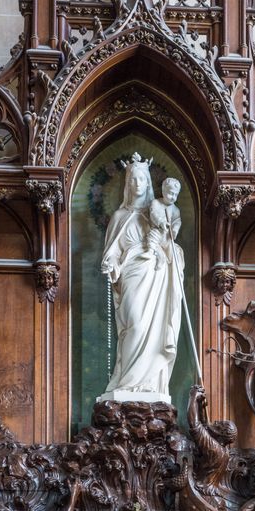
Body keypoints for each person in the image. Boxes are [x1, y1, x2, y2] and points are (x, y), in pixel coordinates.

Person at [99, 156, 184, 404]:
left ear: (148, 182)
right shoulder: (118, 217)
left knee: (152, 329)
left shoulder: (156, 212)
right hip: (131, 275)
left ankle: (147, 384)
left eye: (142, 179)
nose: (138, 183)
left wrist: (172, 250)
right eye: (133, 178)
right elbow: (112, 252)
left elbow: (170, 246)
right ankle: (127, 381)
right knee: (134, 324)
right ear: (127, 183)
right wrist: (111, 263)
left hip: (156, 275)